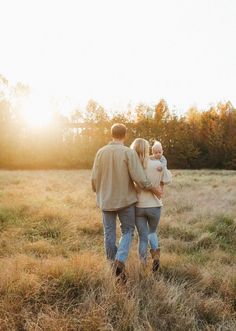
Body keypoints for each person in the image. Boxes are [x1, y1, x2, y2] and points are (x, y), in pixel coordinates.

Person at [91, 124, 162, 282]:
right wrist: (153, 189)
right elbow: (139, 177)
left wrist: (100, 192)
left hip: (106, 201)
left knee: (109, 234)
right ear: (125, 135)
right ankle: (120, 260)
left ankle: (112, 266)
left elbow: (94, 179)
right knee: (128, 231)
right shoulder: (128, 153)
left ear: (111, 134)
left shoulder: (100, 152)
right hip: (126, 201)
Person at [130, 138, 172, 272]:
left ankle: (142, 265)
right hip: (154, 205)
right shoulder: (157, 164)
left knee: (142, 237)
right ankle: (155, 258)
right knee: (152, 232)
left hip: (138, 206)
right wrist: (163, 165)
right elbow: (167, 179)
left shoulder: (137, 165)